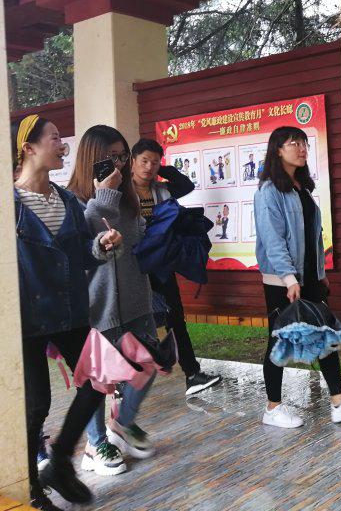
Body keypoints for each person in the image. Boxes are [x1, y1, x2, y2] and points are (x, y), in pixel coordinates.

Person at [13, 115, 123, 510]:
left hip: (71, 310)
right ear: (28, 147)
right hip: (26, 319)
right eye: (55, 138)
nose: (63, 146)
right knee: (35, 406)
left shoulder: (66, 200)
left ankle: (59, 462)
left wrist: (102, 245)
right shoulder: (10, 205)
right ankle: (30, 489)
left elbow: (82, 256)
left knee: (98, 380)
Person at [254, 126, 341, 428]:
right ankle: (272, 408)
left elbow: (313, 237)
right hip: (283, 281)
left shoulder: (301, 189)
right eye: (293, 143)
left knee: (324, 335)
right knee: (278, 340)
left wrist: (320, 274)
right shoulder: (269, 191)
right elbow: (273, 239)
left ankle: (338, 402)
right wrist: (289, 278)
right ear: (277, 150)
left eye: (303, 143)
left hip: (309, 277)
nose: (301, 148)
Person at [67, 126, 160, 477]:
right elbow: (88, 246)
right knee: (97, 380)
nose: (120, 164)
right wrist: (103, 195)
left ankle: (120, 424)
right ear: (93, 160)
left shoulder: (127, 199)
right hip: (98, 308)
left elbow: (136, 245)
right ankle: (95, 445)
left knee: (148, 365)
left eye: (123, 156)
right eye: (112, 157)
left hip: (137, 303)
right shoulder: (74, 202)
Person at [130, 138, 221, 396]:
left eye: (154, 162)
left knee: (175, 317)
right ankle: (124, 380)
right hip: (132, 266)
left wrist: (163, 169)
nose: (149, 167)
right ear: (132, 161)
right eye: (144, 161)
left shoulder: (162, 190)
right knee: (132, 321)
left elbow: (186, 185)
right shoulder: (122, 191)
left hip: (161, 264)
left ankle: (192, 374)